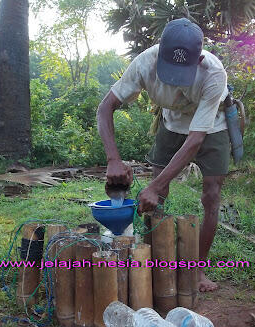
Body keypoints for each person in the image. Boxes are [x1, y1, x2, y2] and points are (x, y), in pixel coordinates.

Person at [97, 18, 230, 292]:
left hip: (211, 125)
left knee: (212, 194)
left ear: (200, 60)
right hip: (171, 123)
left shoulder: (214, 74)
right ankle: (155, 263)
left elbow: (196, 139)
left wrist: (154, 186)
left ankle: (197, 270)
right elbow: (104, 108)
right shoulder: (145, 62)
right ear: (160, 53)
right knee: (157, 197)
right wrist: (113, 159)